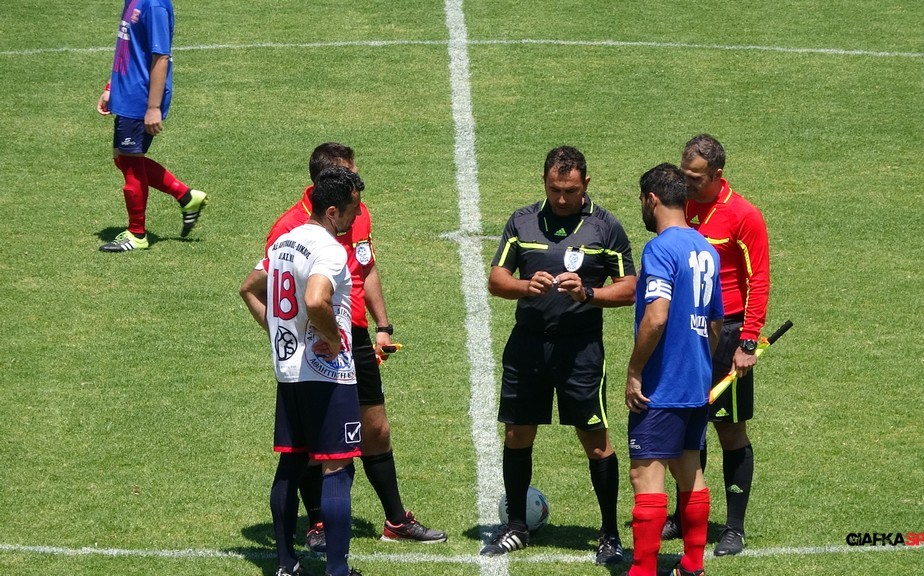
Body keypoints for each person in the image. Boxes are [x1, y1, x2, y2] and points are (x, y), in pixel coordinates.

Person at [239, 143, 446, 552]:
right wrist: (289, 335)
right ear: (327, 187)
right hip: (317, 347)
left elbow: (366, 267)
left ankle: (395, 520)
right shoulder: (289, 229)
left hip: (356, 336)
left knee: (375, 428)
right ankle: (318, 524)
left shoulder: (357, 210)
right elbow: (269, 289)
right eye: (348, 176)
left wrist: (382, 326)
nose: (356, 185)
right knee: (314, 444)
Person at [481, 146, 636, 565]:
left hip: (580, 349)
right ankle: (516, 525)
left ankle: (609, 534)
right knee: (517, 434)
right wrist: (524, 286)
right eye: (554, 189)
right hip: (527, 346)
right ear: (544, 182)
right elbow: (496, 279)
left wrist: (588, 292)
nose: (562, 198)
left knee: (595, 441)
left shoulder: (605, 227)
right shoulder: (522, 221)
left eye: (570, 190)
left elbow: (630, 288)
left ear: (586, 183)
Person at [241, 166, 364, 576]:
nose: (356, 216)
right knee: (337, 466)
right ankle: (337, 570)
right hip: (327, 376)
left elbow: (248, 287)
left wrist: (278, 329)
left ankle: (285, 563)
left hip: (288, 371)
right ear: (332, 211)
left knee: (291, 464)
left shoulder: (283, 243)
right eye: (352, 209)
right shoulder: (329, 249)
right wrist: (334, 338)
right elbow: (315, 300)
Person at [662, 134, 771, 557]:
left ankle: (734, 528)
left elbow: (758, 280)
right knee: (688, 424)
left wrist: (748, 341)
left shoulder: (744, 216)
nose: (686, 183)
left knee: (729, 429)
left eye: (695, 177)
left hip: (728, 334)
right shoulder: (681, 207)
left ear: (718, 174)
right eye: (684, 174)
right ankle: (685, 515)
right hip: (687, 331)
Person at [626, 163, 724, 576]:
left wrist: (635, 370)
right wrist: (700, 365)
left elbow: (657, 317)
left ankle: (643, 570)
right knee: (690, 471)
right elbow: (716, 322)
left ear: (651, 199)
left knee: (645, 477)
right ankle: (692, 565)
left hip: (661, 386)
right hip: (696, 383)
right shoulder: (707, 249)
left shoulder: (660, 249)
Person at [96, 0, 207, 252]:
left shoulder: (154, 6)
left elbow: (161, 57)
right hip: (126, 92)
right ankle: (186, 197)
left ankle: (137, 234)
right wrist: (111, 86)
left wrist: (153, 107)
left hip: (140, 97)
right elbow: (128, 48)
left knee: (130, 163)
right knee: (122, 158)